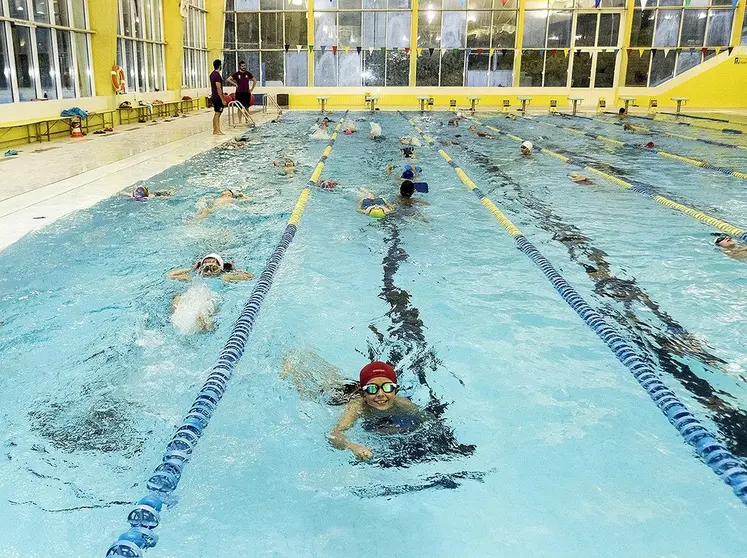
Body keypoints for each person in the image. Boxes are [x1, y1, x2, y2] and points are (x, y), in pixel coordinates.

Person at [329, 362, 426, 461]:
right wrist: (353, 447)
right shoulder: (357, 408)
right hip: (339, 395)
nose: (380, 394)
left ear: (395, 391)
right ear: (363, 394)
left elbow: (426, 418)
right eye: (372, 389)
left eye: (387, 387)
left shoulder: (404, 405)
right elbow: (334, 434)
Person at [167, 253, 255, 282]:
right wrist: (192, 269)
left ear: (220, 268)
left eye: (213, 267)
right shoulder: (194, 279)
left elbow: (251, 276)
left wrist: (233, 269)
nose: (209, 270)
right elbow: (171, 275)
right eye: (205, 267)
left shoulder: (225, 277)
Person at [210, 60, 225, 136]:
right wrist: (222, 99)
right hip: (217, 97)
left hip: (214, 96)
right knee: (217, 114)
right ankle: (218, 131)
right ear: (219, 65)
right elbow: (218, 88)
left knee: (216, 113)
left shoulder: (212, 74)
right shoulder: (217, 75)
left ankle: (215, 130)